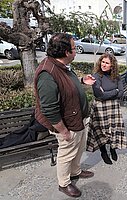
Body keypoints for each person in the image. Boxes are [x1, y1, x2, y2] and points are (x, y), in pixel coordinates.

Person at [34, 33, 96, 198]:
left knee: (79, 148)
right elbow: (49, 108)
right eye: (74, 48)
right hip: (66, 125)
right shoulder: (47, 74)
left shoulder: (62, 65)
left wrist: (82, 80)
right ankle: (64, 183)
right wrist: (63, 131)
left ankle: (75, 171)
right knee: (66, 153)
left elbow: (65, 85)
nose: (76, 51)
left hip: (77, 119)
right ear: (66, 52)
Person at [86, 53, 127, 165]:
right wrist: (115, 92)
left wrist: (108, 93)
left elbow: (121, 94)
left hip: (113, 107)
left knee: (113, 129)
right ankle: (103, 152)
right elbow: (99, 95)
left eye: (107, 63)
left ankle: (113, 149)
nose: (104, 65)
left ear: (112, 65)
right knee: (101, 131)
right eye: (102, 62)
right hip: (100, 108)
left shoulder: (116, 76)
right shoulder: (96, 76)